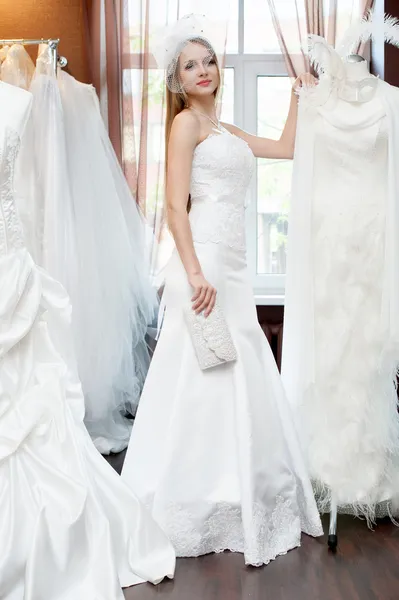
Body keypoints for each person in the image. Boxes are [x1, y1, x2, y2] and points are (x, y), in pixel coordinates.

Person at [122, 14, 323, 567]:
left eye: (209, 60)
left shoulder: (226, 131)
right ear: (177, 80)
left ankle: (236, 489)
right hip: (205, 265)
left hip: (233, 267)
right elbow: (172, 207)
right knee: (201, 369)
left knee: (241, 365)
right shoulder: (185, 124)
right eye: (191, 64)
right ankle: (192, 491)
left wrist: (299, 91)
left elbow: (284, 148)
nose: (204, 69)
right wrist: (192, 273)